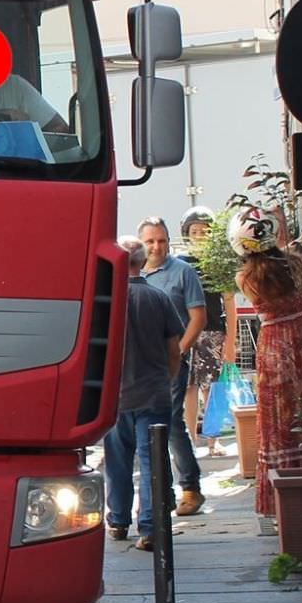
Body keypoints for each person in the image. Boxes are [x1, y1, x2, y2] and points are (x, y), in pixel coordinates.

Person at [104, 235, 185, 551]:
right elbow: (174, 350)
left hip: (115, 396)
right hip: (153, 393)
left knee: (117, 461)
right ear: (141, 262)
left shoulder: (107, 301)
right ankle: (150, 529)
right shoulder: (159, 298)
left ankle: (118, 520)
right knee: (152, 461)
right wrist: (168, 379)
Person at [236, 242, 302, 519]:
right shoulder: (298, 265)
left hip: (274, 345)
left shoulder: (246, 278)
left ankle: (278, 498)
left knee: (276, 421)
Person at [136, 217, 207, 515]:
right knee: (143, 428)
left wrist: (177, 350)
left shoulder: (183, 271)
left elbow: (198, 317)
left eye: (161, 240)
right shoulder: (132, 272)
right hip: (138, 365)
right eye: (150, 241)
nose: (156, 246)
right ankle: (156, 496)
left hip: (170, 362)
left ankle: (190, 487)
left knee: (172, 423)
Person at [178, 207, 232, 456]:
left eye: (204, 231)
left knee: (211, 386)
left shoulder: (218, 263)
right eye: (194, 231)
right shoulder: (179, 262)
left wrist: (231, 339)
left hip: (213, 330)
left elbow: (228, 301)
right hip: (186, 330)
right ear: (187, 234)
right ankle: (190, 438)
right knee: (187, 387)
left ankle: (213, 439)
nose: (199, 235)